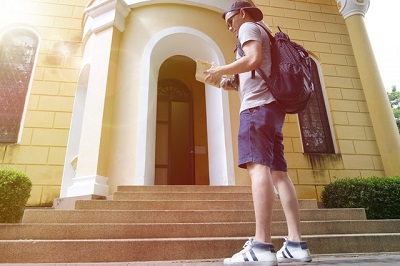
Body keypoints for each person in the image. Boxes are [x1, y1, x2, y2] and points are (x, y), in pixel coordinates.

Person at [204, 1, 312, 265]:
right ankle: (296, 244)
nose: (230, 27)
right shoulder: (265, 33)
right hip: (272, 110)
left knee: (258, 168)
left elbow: (253, 59)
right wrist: (227, 82)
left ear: (242, 13)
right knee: (279, 174)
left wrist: (220, 68)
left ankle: (261, 246)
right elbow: (256, 69)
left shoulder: (248, 27)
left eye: (230, 20)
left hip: (256, 110)